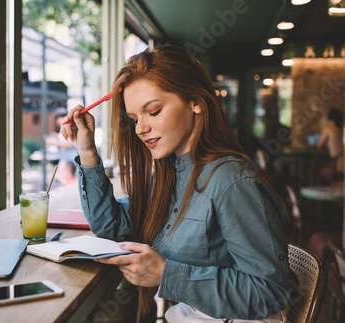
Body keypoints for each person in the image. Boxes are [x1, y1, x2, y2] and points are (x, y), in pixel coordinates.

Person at [61, 45, 298, 322]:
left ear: (195, 102)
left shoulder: (231, 180)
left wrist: (165, 274)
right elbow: (110, 226)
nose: (140, 128)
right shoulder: (168, 173)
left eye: (154, 111)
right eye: (135, 119)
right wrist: (87, 151)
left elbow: (272, 291)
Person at [317, 108, 344, 183]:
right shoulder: (342, 129)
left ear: (331, 121)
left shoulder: (329, 129)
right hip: (342, 162)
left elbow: (319, 145)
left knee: (321, 174)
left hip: (336, 164)